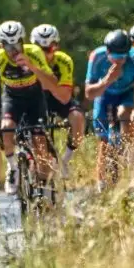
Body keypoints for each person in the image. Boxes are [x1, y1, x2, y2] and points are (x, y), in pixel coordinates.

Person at [0, 20, 60, 195]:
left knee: (40, 143)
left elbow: (52, 83)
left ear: (23, 42)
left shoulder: (34, 52)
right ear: (1, 45)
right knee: (6, 128)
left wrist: (31, 66)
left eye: (17, 44)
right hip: (12, 97)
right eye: (8, 46)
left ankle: (45, 187)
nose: (13, 50)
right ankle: (12, 168)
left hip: (34, 97)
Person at [85, 29, 134, 190]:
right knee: (103, 141)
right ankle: (101, 184)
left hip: (126, 92)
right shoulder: (97, 57)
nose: (119, 61)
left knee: (125, 118)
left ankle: (133, 175)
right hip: (104, 94)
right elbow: (89, 94)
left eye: (122, 57)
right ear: (107, 51)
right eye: (115, 57)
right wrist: (107, 80)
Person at [30, 24, 85, 178]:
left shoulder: (64, 61)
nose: (46, 54)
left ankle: (65, 161)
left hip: (57, 98)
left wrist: (45, 80)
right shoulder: (28, 61)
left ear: (57, 46)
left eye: (50, 48)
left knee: (78, 118)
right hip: (36, 98)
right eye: (40, 49)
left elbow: (65, 97)